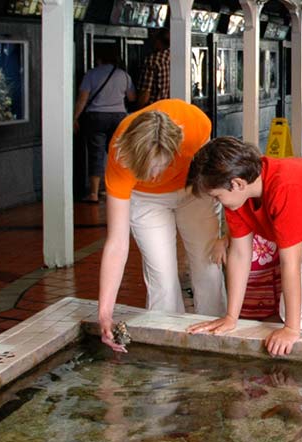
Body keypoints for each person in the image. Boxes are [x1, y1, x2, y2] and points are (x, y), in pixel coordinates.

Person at [184, 137, 302, 356]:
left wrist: (291, 329)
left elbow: (290, 263)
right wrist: (231, 317)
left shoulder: (285, 188)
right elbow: (239, 254)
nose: (218, 201)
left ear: (237, 183)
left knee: (299, 307)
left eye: (216, 196)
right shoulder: (238, 197)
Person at [96, 99, 226, 352]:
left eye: (159, 166)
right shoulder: (120, 154)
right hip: (146, 200)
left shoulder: (196, 125)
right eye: (146, 168)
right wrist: (104, 313)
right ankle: (167, 349)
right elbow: (117, 243)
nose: (154, 175)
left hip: (193, 190)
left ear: (176, 148)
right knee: (161, 277)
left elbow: (222, 178)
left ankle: (216, 343)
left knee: (206, 265)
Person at [73, 46, 135, 203]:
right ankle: (115, 189)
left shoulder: (91, 74)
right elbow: (132, 97)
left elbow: (82, 99)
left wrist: (74, 118)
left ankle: (94, 193)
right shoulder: (124, 76)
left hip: (96, 117)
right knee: (117, 153)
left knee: (96, 153)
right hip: (119, 117)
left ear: (98, 58)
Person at [137, 29, 170, 107]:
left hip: (154, 110)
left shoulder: (152, 60)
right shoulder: (174, 56)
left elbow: (145, 94)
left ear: (158, 41)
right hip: (170, 108)